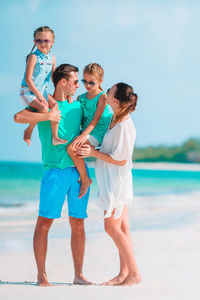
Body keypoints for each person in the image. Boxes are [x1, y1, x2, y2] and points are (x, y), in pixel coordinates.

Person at [14, 64, 91, 287]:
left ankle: (78, 275)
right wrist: (47, 115)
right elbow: (18, 117)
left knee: (78, 223)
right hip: (54, 173)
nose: (79, 86)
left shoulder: (79, 106)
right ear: (62, 82)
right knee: (44, 223)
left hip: (78, 173)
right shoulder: (44, 103)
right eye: (76, 82)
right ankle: (41, 276)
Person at [78, 83, 142, 286]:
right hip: (112, 180)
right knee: (123, 228)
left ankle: (134, 273)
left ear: (115, 100)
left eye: (109, 92)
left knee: (111, 227)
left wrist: (93, 153)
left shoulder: (124, 126)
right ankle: (124, 273)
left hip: (117, 183)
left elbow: (122, 159)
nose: (105, 94)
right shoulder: (116, 119)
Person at [67, 63, 112, 198]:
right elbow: (79, 119)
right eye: (84, 81)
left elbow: (96, 119)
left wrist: (83, 136)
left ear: (100, 81)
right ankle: (80, 176)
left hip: (97, 130)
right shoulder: (81, 98)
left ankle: (86, 179)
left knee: (72, 148)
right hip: (86, 130)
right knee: (69, 146)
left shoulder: (103, 97)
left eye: (91, 83)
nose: (87, 85)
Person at [20, 26, 67, 146]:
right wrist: (39, 96)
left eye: (46, 40)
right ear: (34, 42)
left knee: (55, 105)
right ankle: (29, 130)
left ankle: (55, 137)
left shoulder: (52, 59)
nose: (42, 43)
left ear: (52, 42)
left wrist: (64, 95)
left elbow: (53, 79)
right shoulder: (33, 57)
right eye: (38, 40)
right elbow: (28, 79)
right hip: (28, 92)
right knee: (44, 108)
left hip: (42, 92)